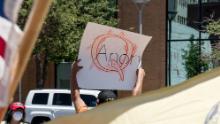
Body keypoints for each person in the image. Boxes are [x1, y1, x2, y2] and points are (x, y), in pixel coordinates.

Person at [71, 59, 145, 113]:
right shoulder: (121, 120)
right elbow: (135, 100)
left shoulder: (88, 119)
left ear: (97, 102)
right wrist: (140, 77)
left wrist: (74, 72)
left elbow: (76, 98)